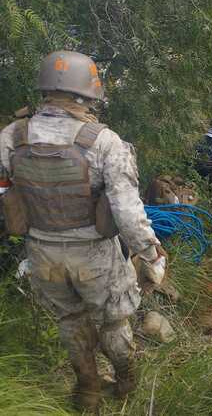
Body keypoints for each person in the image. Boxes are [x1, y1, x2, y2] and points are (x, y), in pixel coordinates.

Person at [0, 51, 166, 411]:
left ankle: (88, 390)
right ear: (88, 94)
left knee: (70, 319)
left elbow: (5, 189)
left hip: (41, 252)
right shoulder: (104, 142)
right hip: (93, 254)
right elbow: (126, 210)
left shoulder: (12, 136)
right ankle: (125, 382)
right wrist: (151, 253)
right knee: (113, 321)